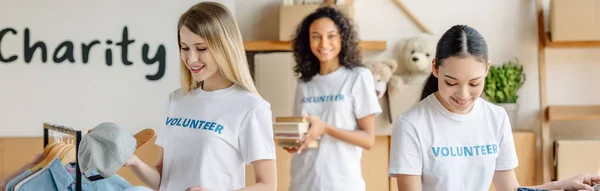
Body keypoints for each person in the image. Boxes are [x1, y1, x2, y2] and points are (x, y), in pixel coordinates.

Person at [388, 24, 600, 191]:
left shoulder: (496, 117)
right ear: (435, 68)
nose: (463, 94)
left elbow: (511, 189)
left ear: (487, 69)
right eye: (451, 82)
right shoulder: (411, 125)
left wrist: (562, 185)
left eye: (474, 83)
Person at [123, 2, 277, 191]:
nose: (191, 58)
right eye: (184, 47)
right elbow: (163, 181)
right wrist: (133, 162)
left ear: (224, 47)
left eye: (201, 48)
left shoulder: (251, 107)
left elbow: (268, 185)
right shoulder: (177, 100)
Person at [283, 6, 382, 191]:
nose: (323, 43)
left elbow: (368, 139)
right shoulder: (304, 82)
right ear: (308, 41)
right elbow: (304, 130)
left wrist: (326, 128)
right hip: (302, 182)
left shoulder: (358, 77)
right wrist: (295, 141)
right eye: (316, 36)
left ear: (342, 38)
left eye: (331, 35)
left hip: (342, 184)